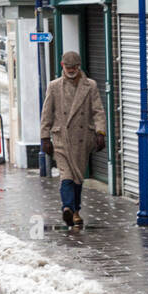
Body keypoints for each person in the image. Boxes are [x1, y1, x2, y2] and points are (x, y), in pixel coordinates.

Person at [39, 50, 107, 229]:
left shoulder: (90, 85)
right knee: (66, 175)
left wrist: (101, 133)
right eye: (68, 67)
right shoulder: (54, 86)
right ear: (62, 66)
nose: (71, 70)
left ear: (79, 66)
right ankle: (67, 207)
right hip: (61, 137)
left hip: (82, 139)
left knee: (78, 177)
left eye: (74, 67)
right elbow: (46, 113)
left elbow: (98, 110)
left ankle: (75, 211)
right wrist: (45, 137)